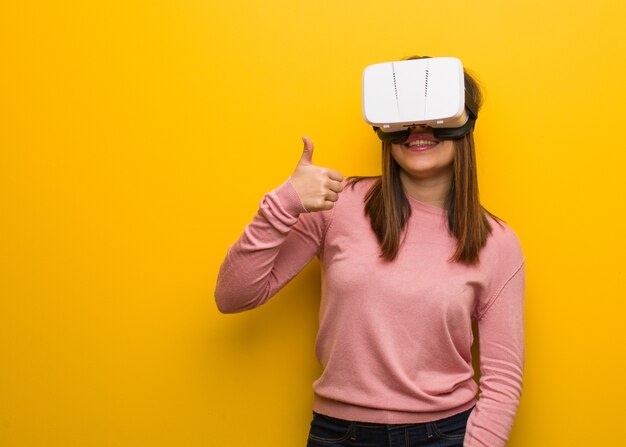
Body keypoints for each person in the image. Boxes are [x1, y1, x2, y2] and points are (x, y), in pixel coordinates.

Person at [214, 56, 525, 447]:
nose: (418, 129)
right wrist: (284, 202)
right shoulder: (337, 206)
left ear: (464, 120)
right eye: (404, 114)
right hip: (337, 435)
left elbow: (502, 381)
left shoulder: (496, 242)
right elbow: (232, 296)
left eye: (433, 112)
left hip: (444, 436)